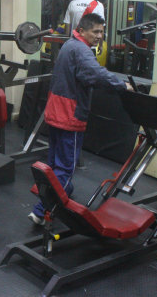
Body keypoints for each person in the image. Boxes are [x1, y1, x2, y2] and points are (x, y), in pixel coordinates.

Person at [28, 13, 132, 226]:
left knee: (54, 163)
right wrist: (122, 86)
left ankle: (65, 192)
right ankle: (40, 211)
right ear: (82, 30)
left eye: (102, 32)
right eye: (95, 31)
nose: (100, 36)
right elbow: (96, 75)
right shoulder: (82, 50)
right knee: (65, 168)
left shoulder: (69, 45)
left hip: (56, 111)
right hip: (69, 116)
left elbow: (84, 76)